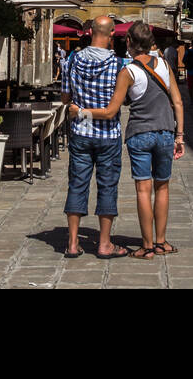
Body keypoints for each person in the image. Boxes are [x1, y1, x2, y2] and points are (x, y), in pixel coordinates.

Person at [73, 22, 185, 259]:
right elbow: (177, 102)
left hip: (139, 135)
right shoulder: (165, 65)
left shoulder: (127, 71)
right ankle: (161, 242)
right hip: (166, 132)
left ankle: (146, 246)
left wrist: (82, 112)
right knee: (162, 187)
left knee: (143, 190)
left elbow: (112, 111)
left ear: (130, 44)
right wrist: (180, 135)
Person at [61, 16, 128, 260]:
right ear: (111, 35)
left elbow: (66, 98)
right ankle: (104, 244)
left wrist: (81, 105)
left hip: (81, 132)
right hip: (108, 133)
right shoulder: (119, 64)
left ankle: (71, 243)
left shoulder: (72, 59)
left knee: (77, 183)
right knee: (107, 186)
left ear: (90, 32)